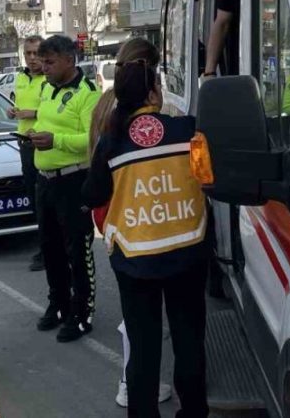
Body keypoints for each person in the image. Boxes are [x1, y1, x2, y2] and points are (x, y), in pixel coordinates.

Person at [82, 38, 210, 418]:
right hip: (187, 251)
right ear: (156, 90)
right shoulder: (188, 129)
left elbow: (92, 194)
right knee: (189, 342)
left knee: (144, 348)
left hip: (135, 259)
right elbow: (207, 179)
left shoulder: (111, 142)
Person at [86, 39, 173, 409]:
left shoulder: (104, 104)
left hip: (114, 216)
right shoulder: (147, 113)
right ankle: (132, 382)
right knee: (144, 319)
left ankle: (131, 382)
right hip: (144, 217)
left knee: (134, 311)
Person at [27, 35, 100, 342]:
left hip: (73, 180)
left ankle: (81, 313)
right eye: (41, 61)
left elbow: (92, 140)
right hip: (45, 179)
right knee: (50, 247)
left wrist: (56, 141)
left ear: (69, 60)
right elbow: (48, 124)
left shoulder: (88, 94)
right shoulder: (46, 88)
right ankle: (58, 303)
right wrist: (34, 134)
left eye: (49, 62)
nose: (42, 67)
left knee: (78, 250)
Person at [7, 35, 46, 272]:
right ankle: (42, 244)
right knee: (33, 198)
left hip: (43, 143)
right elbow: (20, 105)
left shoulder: (49, 79)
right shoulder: (21, 77)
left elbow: (52, 110)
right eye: (28, 53)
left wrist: (30, 113)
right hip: (24, 143)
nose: (32, 58)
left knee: (44, 199)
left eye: (36, 53)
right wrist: (14, 111)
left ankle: (47, 249)